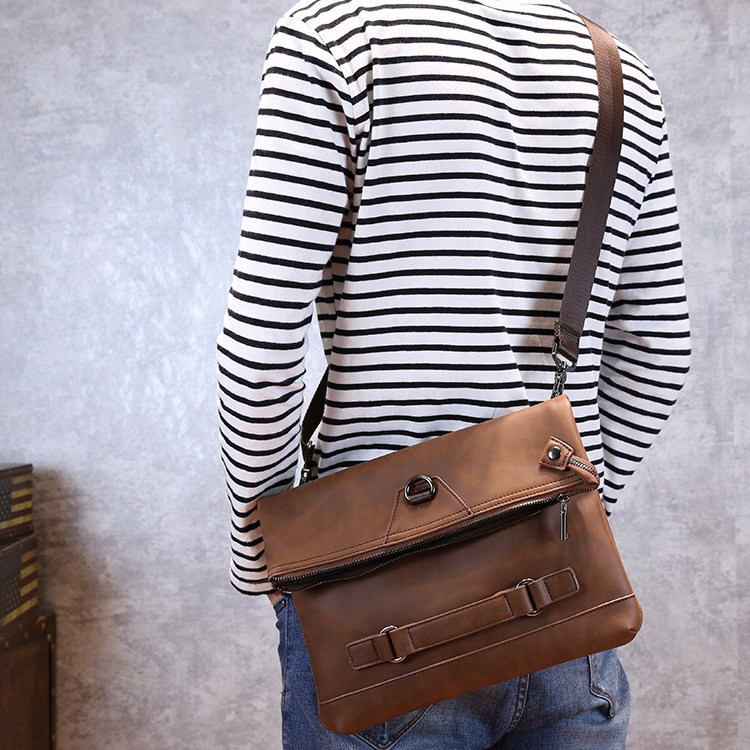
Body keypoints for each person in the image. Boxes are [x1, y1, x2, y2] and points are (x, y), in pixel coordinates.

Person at [216, 0, 691, 747]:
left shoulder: (335, 39)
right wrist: (571, 518)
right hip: (564, 602)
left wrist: (267, 560)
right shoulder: (618, 70)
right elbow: (661, 350)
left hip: (375, 609)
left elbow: (260, 349)